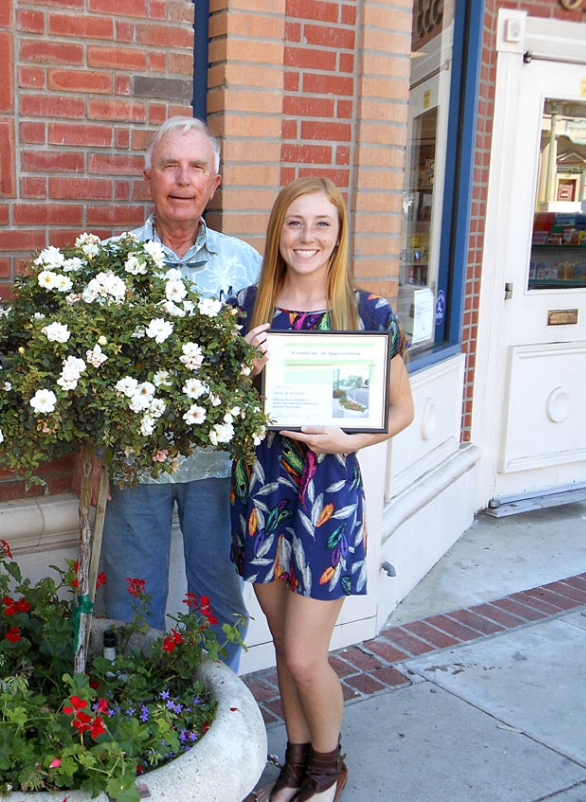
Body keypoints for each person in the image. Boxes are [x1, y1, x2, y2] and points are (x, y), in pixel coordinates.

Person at [233, 177, 414, 802]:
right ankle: (297, 765)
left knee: (307, 657)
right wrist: (241, 373)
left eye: (322, 224)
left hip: (326, 497)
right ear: (277, 230)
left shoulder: (369, 314)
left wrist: (350, 441)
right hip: (261, 494)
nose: (307, 237)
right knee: (285, 648)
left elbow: (400, 409)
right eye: (294, 223)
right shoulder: (245, 308)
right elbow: (215, 412)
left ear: (339, 235)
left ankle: (330, 768)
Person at [99, 116, 262, 670]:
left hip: (218, 468)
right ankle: (131, 712)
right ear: (149, 176)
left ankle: (216, 712)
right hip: (134, 464)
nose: (183, 179)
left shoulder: (247, 266)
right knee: (128, 599)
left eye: (198, 167)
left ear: (215, 182)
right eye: (171, 165)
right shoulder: (112, 262)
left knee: (218, 599)